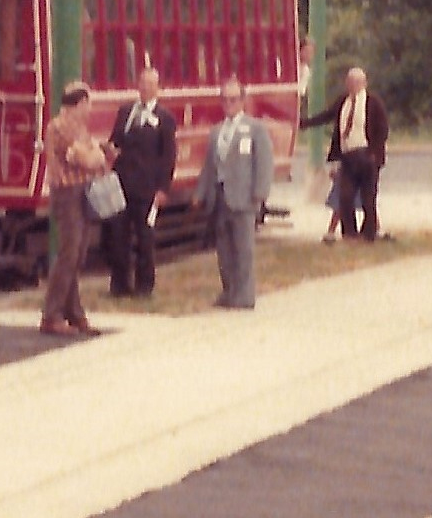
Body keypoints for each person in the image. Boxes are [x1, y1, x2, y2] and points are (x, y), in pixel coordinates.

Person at [38, 82, 114, 338]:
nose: (90, 108)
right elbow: (87, 158)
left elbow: (92, 154)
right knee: (69, 252)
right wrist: (96, 155)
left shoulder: (78, 128)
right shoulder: (60, 128)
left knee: (79, 252)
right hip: (67, 194)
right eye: (88, 103)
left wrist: (96, 153)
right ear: (79, 104)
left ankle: (74, 312)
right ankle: (52, 314)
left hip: (82, 190)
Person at [197, 75, 275, 310]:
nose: (228, 104)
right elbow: (209, 166)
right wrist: (200, 193)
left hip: (244, 196)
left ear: (242, 101)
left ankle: (245, 294)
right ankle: (229, 291)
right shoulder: (216, 132)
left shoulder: (255, 129)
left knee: (244, 248)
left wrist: (260, 192)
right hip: (220, 196)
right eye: (225, 100)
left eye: (233, 99)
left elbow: (264, 162)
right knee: (224, 248)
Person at [104, 63, 179, 299]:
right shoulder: (126, 112)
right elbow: (115, 140)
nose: (145, 89)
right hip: (122, 183)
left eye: (150, 85)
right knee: (118, 236)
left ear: (158, 88)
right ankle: (119, 284)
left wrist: (163, 189)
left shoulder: (164, 118)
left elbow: (168, 156)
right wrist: (109, 151)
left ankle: (144, 286)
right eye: (142, 84)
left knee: (145, 238)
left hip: (147, 187)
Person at [300, 66, 388, 241]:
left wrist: (374, 154)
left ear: (364, 83)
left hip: (366, 155)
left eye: (356, 82)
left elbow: (382, 129)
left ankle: (369, 234)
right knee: (345, 196)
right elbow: (327, 116)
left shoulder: (373, 102)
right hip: (347, 156)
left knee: (368, 197)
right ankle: (350, 234)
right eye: (349, 82)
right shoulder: (343, 101)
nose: (352, 85)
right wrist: (304, 123)